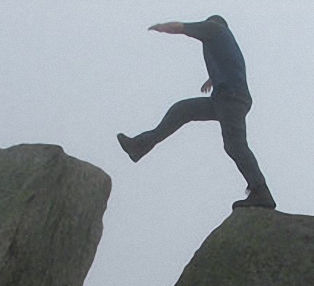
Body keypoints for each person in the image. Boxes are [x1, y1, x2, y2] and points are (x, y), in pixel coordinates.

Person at [117, 15, 276, 209]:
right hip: (224, 99)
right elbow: (229, 64)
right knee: (182, 110)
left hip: (231, 99)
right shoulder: (226, 42)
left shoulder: (214, 29)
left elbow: (181, 27)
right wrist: (211, 79)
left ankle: (261, 191)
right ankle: (139, 145)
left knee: (235, 145)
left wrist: (161, 27)